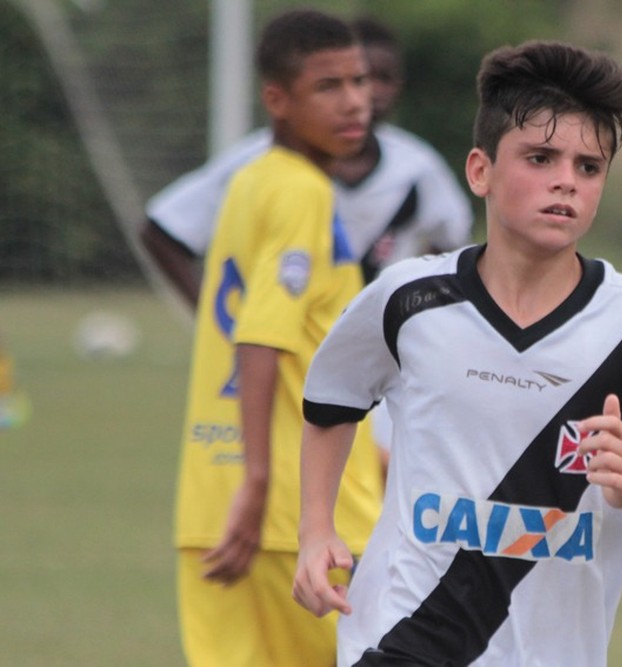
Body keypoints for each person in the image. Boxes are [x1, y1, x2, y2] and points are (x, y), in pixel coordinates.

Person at [293, 40, 622, 666]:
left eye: (589, 167)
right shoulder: (409, 299)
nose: (566, 180)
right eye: (540, 158)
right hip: (401, 640)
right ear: (480, 171)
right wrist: (316, 530)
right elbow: (331, 402)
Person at [173, 10, 382, 666]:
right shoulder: (302, 192)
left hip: (210, 501)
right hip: (301, 514)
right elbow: (261, 337)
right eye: (328, 86)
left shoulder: (249, 182)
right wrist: (259, 480)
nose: (354, 101)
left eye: (359, 81)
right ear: (277, 99)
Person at [140, 16, 473, 307]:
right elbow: (163, 230)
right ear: (279, 98)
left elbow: (454, 244)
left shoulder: (417, 166)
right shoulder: (262, 170)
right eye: (331, 85)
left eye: (368, 80)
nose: (362, 97)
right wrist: (209, 314)